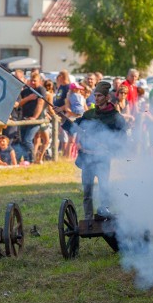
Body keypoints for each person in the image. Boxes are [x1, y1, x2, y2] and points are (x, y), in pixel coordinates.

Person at [62, 81, 126, 219]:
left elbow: (122, 137)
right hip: (87, 159)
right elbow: (73, 127)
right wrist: (61, 116)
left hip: (103, 159)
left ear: (107, 97)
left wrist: (112, 148)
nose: (96, 99)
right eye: (95, 95)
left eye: (99, 96)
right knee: (87, 192)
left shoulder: (115, 117)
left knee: (104, 188)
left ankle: (104, 212)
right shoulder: (88, 114)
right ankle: (88, 218)